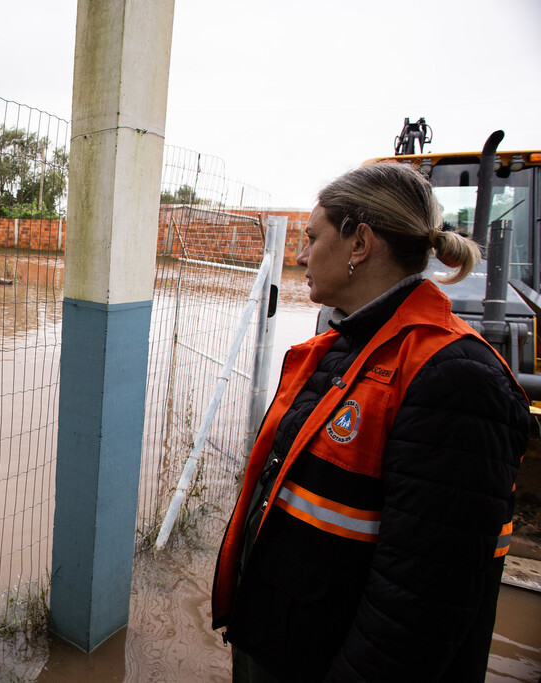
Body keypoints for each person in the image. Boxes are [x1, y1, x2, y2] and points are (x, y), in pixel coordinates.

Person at [211, 162, 529, 682]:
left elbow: (421, 608)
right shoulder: (343, 351)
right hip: (279, 645)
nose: (300, 255)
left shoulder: (455, 379)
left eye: (312, 237)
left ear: (360, 243)